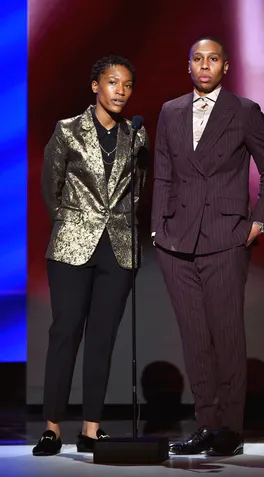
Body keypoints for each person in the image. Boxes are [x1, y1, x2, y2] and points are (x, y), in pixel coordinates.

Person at [151, 37, 264, 456]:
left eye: (214, 59)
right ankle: (206, 424)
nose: (205, 66)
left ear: (226, 67)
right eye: (198, 59)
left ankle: (230, 429)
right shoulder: (171, 111)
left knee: (226, 336)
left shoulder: (243, 111)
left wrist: (258, 220)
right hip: (177, 242)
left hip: (226, 237)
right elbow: (163, 176)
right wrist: (157, 230)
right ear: (188, 65)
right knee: (194, 338)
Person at [33, 55, 148, 456]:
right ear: (95, 86)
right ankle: (51, 427)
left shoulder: (136, 135)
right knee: (65, 333)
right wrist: (72, 224)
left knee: (103, 338)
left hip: (118, 249)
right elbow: (52, 187)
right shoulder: (67, 131)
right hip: (71, 243)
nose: (121, 90)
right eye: (113, 82)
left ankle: (91, 427)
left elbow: (137, 190)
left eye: (128, 84)